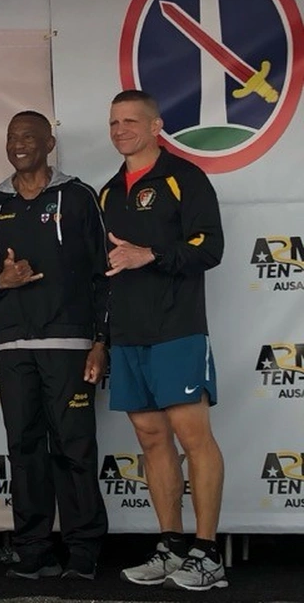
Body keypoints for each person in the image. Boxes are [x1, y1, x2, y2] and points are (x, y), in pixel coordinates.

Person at [0, 110, 109, 580]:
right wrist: (2, 280)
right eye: (12, 137)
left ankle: (83, 550)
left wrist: (100, 340)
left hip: (69, 343)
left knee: (75, 447)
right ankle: (33, 549)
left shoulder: (79, 196)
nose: (19, 143)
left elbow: (103, 275)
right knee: (24, 448)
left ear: (49, 143)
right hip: (12, 347)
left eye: (29, 136)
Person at [100, 89, 226, 591]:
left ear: (156, 127)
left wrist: (149, 254)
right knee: (151, 440)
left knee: (194, 438)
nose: (120, 130)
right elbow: (103, 270)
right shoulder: (108, 191)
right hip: (128, 333)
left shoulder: (184, 177)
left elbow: (210, 245)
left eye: (131, 120)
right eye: (113, 122)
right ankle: (171, 544)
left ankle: (208, 551)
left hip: (176, 329)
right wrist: (100, 336)